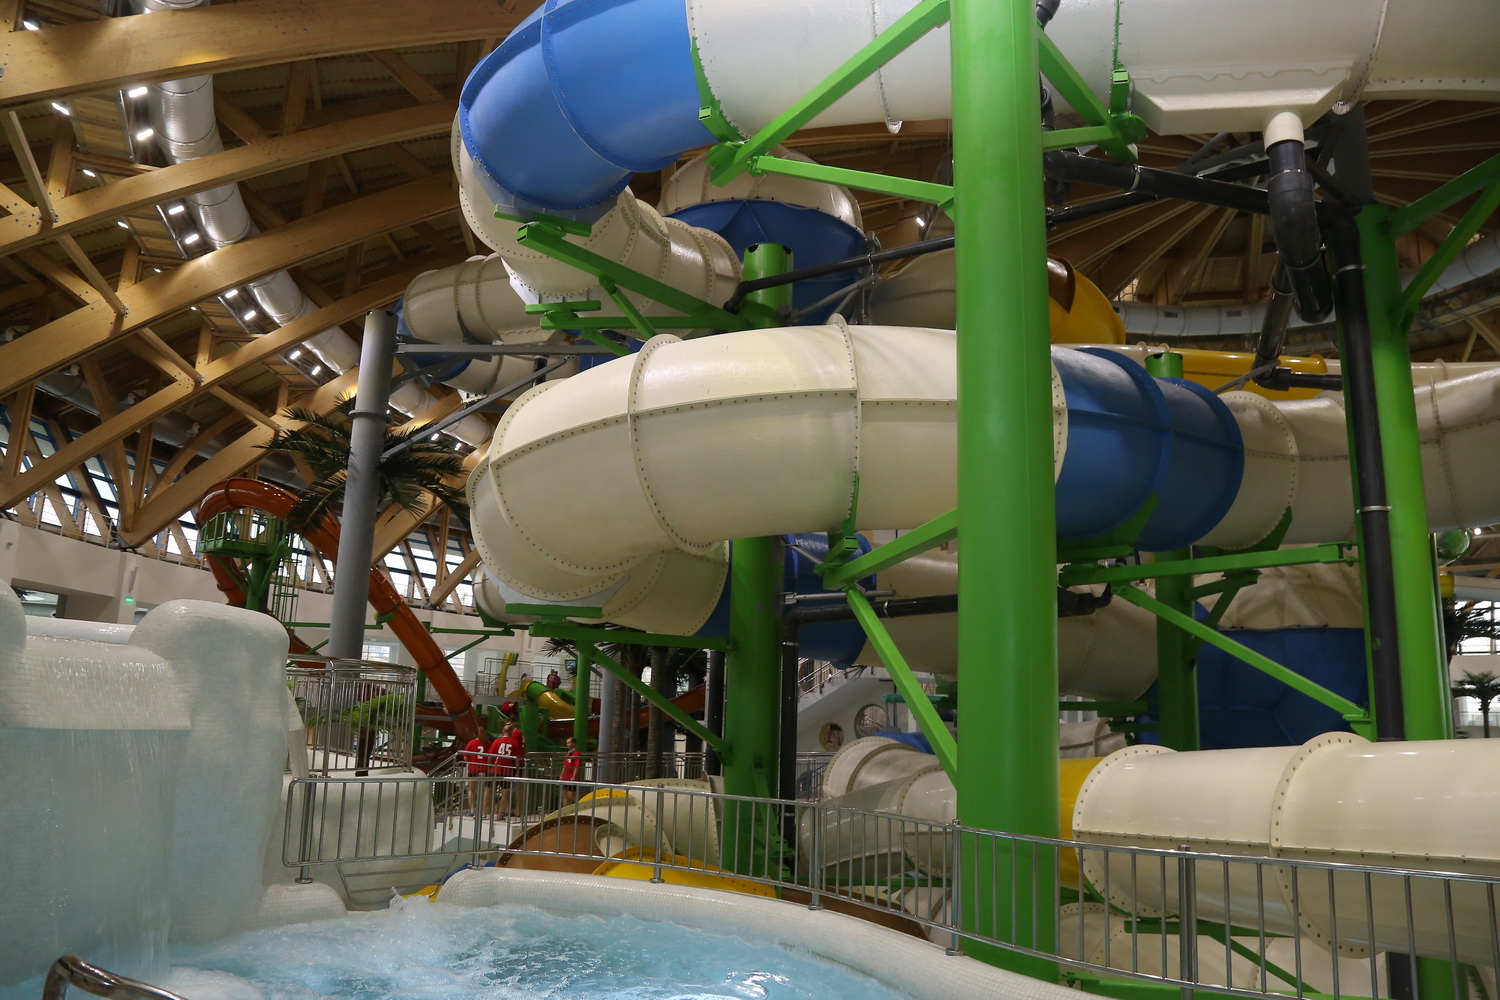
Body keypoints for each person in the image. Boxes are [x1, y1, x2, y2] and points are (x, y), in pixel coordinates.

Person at [462, 730, 491, 816]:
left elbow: (465, 757)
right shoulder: (488, 743)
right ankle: (484, 809)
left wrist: (470, 762)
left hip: (473, 769)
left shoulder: (471, 742)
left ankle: (472, 809)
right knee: (486, 790)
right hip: (485, 769)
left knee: (471, 790)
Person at [560, 736, 582, 805]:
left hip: (571, 777)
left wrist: (574, 776)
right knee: (564, 794)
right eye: (567, 743)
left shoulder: (577, 753)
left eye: (569, 743)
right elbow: (564, 765)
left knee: (571, 794)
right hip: (565, 777)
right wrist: (562, 774)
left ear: (573, 743)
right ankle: (564, 809)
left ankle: (580, 804)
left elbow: (577, 766)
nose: (567, 744)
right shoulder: (568, 753)